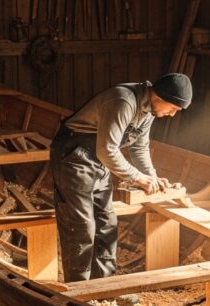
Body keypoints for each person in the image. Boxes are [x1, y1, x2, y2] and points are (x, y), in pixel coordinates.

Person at [51, 73, 192, 282]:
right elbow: (108, 150)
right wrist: (137, 178)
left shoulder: (149, 111)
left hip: (97, 161)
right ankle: (79, 290)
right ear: (160, 96)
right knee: (82, 227)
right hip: (74, 158)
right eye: (173, 109)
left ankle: (105, 286)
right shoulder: (123, 101)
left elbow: (139, 147)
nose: (172, 114)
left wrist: (152, 177)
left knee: (107, 223)